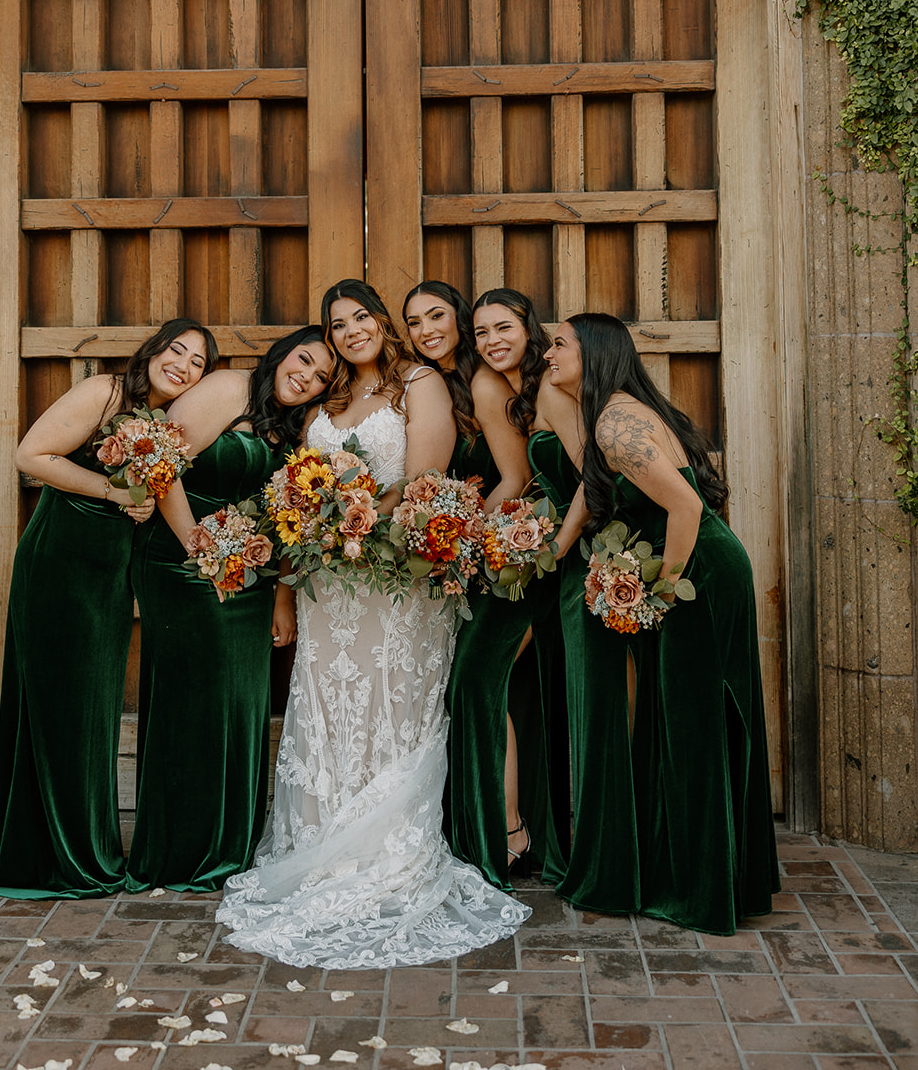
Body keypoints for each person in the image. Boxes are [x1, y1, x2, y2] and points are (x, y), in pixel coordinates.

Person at [217, 278, 530, 967]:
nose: (352, 329)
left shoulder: (418, 382)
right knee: (330, 707)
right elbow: (299, 484)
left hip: (398, 581)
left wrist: (350, 514)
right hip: (329, 581)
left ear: (383, 323)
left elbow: (422, 482)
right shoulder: (327, 400)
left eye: (361, 315)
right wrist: (304, 552)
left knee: (392, 705)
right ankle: (322, 847)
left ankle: (388, 851)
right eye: (337, 323)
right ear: (328, 338)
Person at [530, 312, 780, 934]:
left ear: (595, 353)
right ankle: (705, 873)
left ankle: (700, 890)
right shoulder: (607, 412)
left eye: (559, 345)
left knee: (694, 724)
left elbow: (687, 505)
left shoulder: (616, 421)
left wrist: (661, 593)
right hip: (692, 569)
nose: (547, 355)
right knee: (681, 719)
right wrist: (554, 550)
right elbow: (596, 489)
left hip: (702, 575)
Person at [0, 318, 216, 898]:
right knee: (60, 706)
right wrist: (112, 491)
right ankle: (58, 858)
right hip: (59, 564)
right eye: (174, 350)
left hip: (108, 577)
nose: (181, 364)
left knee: (90, 709)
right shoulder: (105, 393)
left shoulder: (168, 426)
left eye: (197, 362)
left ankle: (82, 844)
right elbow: (30, 456)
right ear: (153, 351)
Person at [126, 326, 332, 892]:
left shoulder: (299, 427)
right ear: (283, 352)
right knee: (195, 698)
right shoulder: (228, 387)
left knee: (240, 703)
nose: (306, 378)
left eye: (320, 378)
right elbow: (160, 465)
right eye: (304, 360)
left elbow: (295, 515)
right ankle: (181, 849)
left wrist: (282, 591)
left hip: (250, 571)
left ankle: (229, 846)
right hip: (179, 556)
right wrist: (200, 547)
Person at [403, 281, 575, 890]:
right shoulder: (443, 385)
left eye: (438, 317)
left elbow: (517, 477)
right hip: (490, 555)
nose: (426, 330)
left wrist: (460, 541)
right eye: (414, 322)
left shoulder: (480, 383)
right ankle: (498, 826)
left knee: (479, 683)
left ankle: (506, 831)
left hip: (513, 557)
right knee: (487, 688)